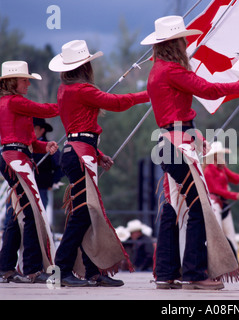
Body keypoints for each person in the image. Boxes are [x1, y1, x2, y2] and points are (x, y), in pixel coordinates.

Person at [141, 15, 239, 290]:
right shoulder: (172, 70)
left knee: (173, 208)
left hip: (168, 142)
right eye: (182, 39)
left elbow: (175, 113)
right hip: (178, 146)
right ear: (174, 44)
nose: (186, 43)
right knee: (198, 207)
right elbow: (206, 90)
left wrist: (195, 134)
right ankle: (194, 273)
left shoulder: (156, 70)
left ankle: (166, 273)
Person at [48, 39, 150, 287]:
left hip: (79, 151)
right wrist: (150, 94)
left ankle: (92, 270)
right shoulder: (82, 90)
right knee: (83, 214)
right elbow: (117, 103)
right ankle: (62, 269)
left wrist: (98, 152)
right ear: (85, 67)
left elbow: (78, 130)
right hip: (81, 154)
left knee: (86, 214)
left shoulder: (65, 90)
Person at [0, 60, 59, 283]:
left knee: (18, 215)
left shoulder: (13, 103)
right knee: (32, 213)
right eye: (25, 80)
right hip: (17, 160)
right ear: (13, 82)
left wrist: (46, 146)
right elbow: (43, 110)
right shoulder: (14, 102)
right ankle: (33, 268)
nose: (28, 84)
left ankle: (6, 267)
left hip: (16, 157)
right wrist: (69, 103)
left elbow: (30, 142)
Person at [203, 141, 239, 255]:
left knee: (231, 235)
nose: (223, 156)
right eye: (220, 154)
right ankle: (216, 264)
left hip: (223, 203)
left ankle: (234, 266)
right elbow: (217, 190)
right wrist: (235, 195)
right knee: (216, 234)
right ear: (215, 155)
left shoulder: (221, 169)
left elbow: (234, 177)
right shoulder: (208, 171)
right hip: (214, 203)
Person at [32, 117, 64, 210]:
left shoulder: (50, 147)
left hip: (41, 188)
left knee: (39, 216)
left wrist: (52, 182)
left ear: (42, 130)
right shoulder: (24, 145)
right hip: (23, 187)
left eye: (34, 128)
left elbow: (60, 165)